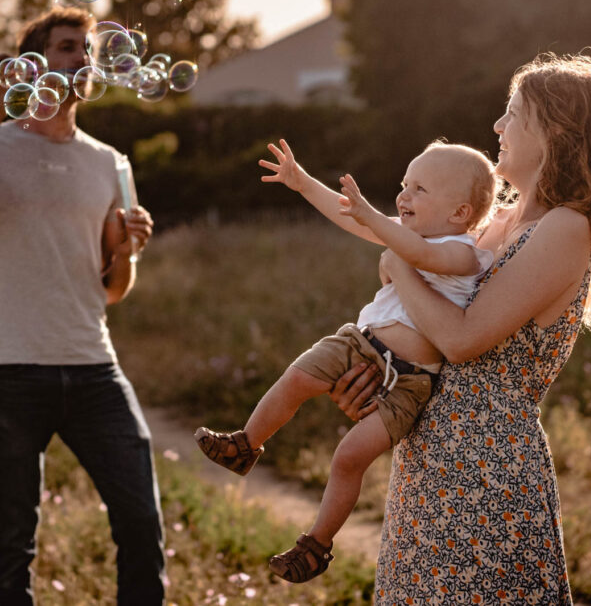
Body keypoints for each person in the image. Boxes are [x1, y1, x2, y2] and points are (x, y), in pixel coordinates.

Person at [327, 53, 591, 604]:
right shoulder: (496, 221)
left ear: (554, 132)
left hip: (486, 470)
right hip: (428, 456)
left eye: (513, 114)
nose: (497, 126)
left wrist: (399, 268)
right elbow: (428, 321)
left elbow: (462, 338)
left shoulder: (563, 227)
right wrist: (382, 379)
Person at [0, 7, 166, 605]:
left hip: (93, 367)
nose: (80, 59)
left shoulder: (110, 162)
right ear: (32, 61)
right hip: (9, 368)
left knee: (141, 521)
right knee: (12, 541)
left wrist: (129, 251)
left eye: (86, 50)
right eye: (66, 47)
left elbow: (110, 289)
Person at [194, 140, 497, 583]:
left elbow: (421, 256)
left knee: (348, 457)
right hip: (360, 342)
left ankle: (316, 546)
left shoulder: (463, 253)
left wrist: (372, 217)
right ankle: (245, 445)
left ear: (460, 214)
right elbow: (347, 215)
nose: (403, 196)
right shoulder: (405, 235)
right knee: (295, 378)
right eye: (404, 184)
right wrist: (302, 184)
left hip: (410, 382)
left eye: (420, 189)